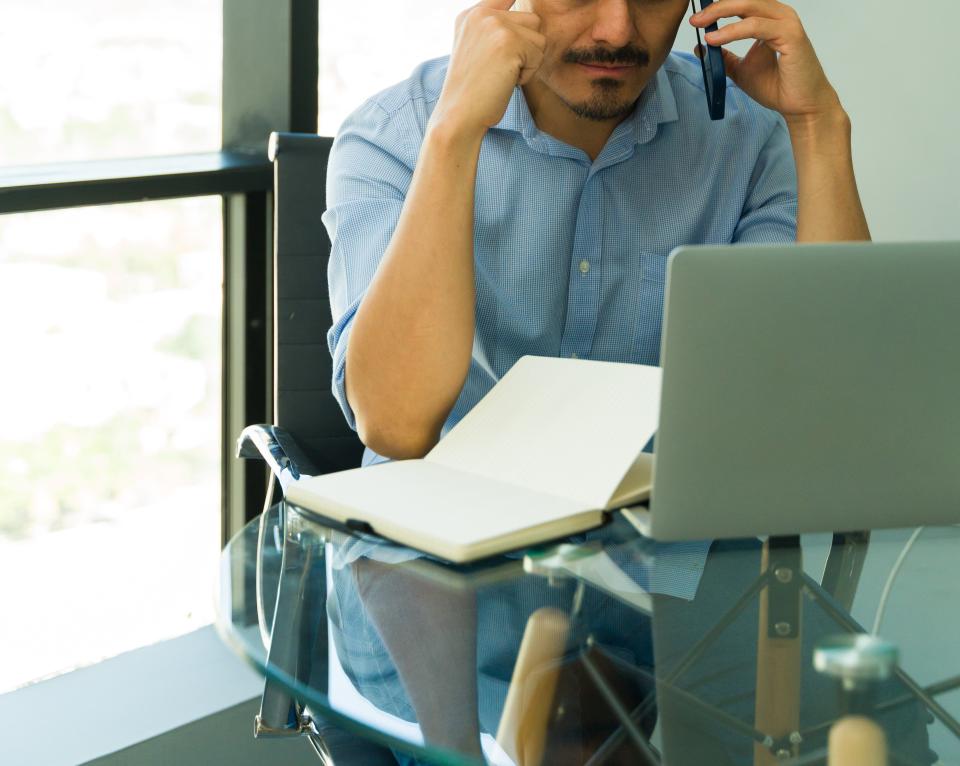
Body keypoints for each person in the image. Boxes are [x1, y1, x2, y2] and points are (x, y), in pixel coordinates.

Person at [318, 1, 923, 763]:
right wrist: (456, 133)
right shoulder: (396, 134)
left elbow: (827, 404)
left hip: (674, 578)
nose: (616, 29)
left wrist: (818, 125)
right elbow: (396, 425)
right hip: (438, 589)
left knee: (891, 740)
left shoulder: (746, 133)